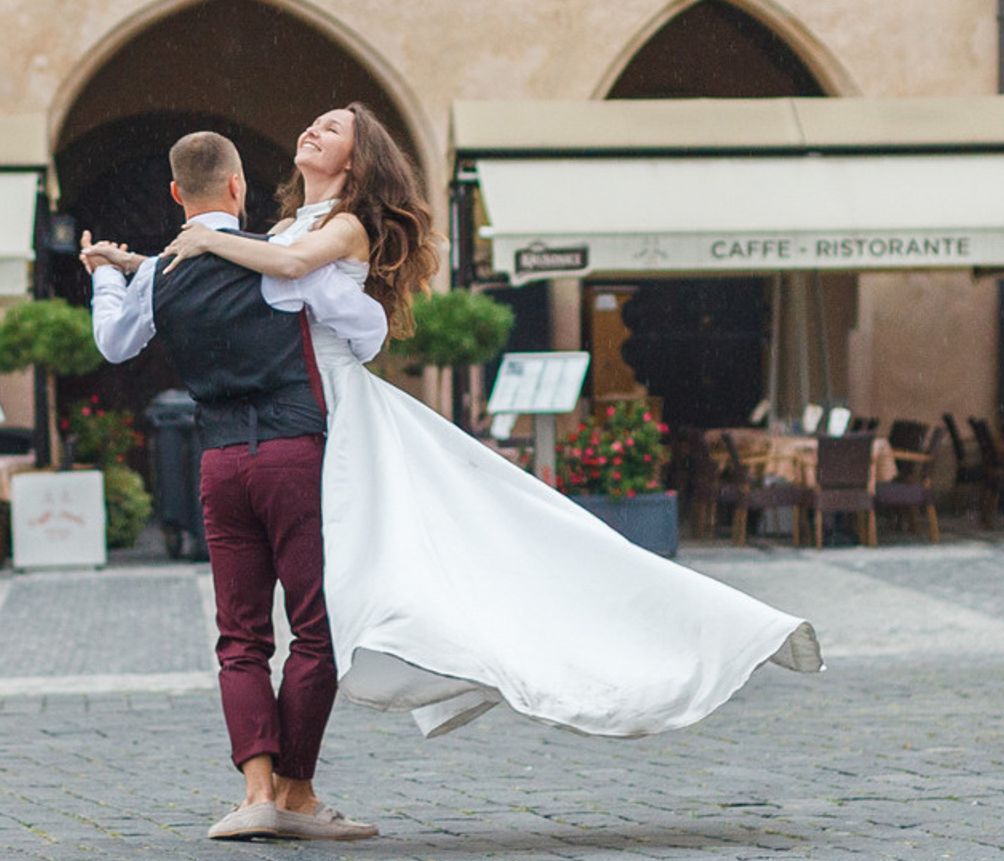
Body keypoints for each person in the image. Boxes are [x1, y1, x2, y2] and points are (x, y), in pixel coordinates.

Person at [161, 103, 820, 742]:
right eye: (314, 121)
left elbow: (293, 266)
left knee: (485, 536)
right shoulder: (282, 225)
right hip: (290, 408)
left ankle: (697, 634)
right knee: (378, 580)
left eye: (331, 128)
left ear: (357, 162)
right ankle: (290, 774)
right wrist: (134, 271)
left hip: (331, 410)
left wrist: (209, 237)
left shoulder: (347, 222)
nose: (311, 128)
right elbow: (250, 276)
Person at [84, 131, 389, 844]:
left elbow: (113, 343)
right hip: (293, 454)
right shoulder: (277, 268)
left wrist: (108, 271)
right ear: (238, 189)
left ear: (174, 195)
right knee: (314, 628)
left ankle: (256, 792)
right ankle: (297, 790)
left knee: (239, 636)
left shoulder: (161, 278)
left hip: (218, 460)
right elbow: (365, 329)